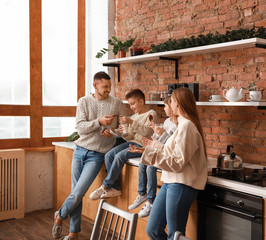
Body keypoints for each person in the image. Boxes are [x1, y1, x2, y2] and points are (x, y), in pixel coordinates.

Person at [52, 71, 126, 240]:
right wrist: (99, 122)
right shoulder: (84, 101)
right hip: (80, 150)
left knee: (78, 193)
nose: (108, 90)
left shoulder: (117, 103)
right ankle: (73, 232)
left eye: (110, 86)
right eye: (105, 87)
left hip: (98, 155)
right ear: (95, 85)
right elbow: (80, 127)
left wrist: (112, 133)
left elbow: (122, 132)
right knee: (75, 192)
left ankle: (60, 216)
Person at [129, 87, 207, 240]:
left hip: (181, 185)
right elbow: (170, 151)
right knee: (152, 229)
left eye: (171, 101)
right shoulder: (182, 126)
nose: (169, 104)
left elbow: (177, 163)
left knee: (175, 235)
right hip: (170, 182)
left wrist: (149, 154)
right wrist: (147, 149)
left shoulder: (187, 127)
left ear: (177, 103)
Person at [89, 88, 157, 200]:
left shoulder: (151, 114)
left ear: (141, 101)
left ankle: (106, 186)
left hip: (144, 146)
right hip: (132, 143)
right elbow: (129, 136)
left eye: (133, 103)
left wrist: (130, 122)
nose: (131, 107)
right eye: (130, 104)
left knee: (120, 156)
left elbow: (146, 131)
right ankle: (115, 188)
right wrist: (119, 132)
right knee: (109, 155)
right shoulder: (134, 117)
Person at [128, 96, 177, 218]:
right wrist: (157, 133)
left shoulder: (179, 124)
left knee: (150, 168)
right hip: (160, 150)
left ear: (173, 107)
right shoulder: (167, 122)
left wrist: (161, 135)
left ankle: (150, 200)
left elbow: (169, 144)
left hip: (167, 154)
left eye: (165, 106)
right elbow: (160, 140)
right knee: (142, 162)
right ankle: (142, 194)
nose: (164, 108)